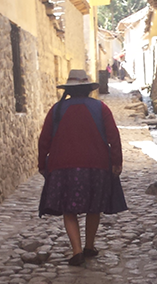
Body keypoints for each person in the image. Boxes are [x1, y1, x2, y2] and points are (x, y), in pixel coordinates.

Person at [38, 69, 128, 266]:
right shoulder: (101, 108)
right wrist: (116, 162)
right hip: (96, 167)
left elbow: (44, 139)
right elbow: (113, 137)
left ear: (69, 90)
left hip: (62, 168)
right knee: (93, 207)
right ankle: (89, 246)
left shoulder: (57, 109)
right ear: (88, 89)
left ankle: (76, 250)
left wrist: (41, 163)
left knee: (68, 210)